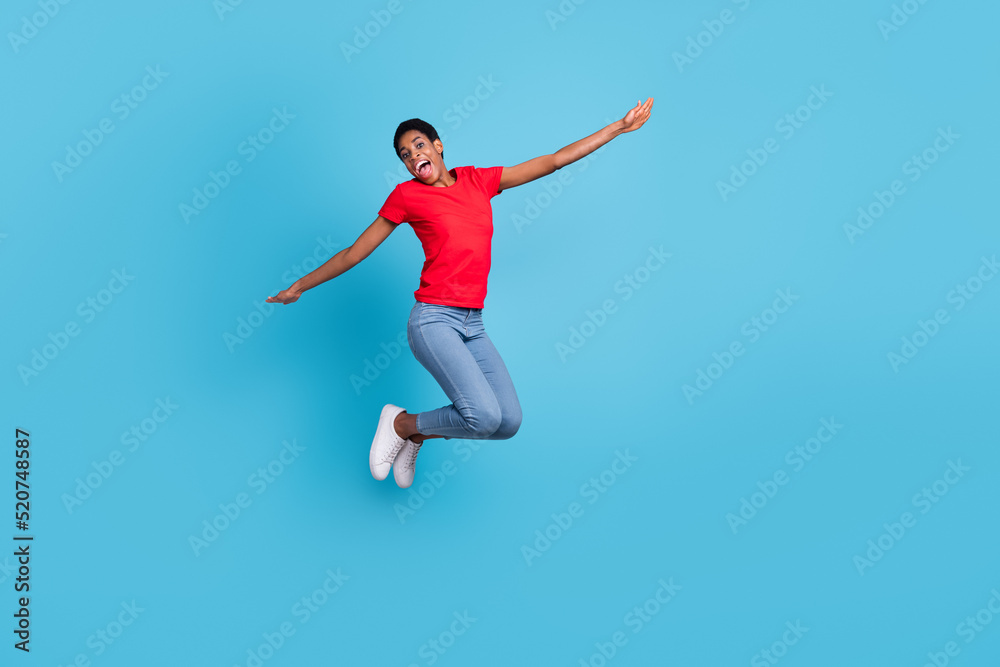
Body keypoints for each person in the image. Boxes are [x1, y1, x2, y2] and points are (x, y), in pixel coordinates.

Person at [267, 97, 654, 488]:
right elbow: (354, 253)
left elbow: (552, 161)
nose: (413, 155)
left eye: (419, 144)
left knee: (507, 423)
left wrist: (617, 128)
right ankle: (399, 423)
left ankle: (414, 433)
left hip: (473, 323)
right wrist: (298, 286)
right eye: (404, 154)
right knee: (483, 416)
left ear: (438, 146)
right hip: (433, 320)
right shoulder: (406, 197)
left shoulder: (477, 180)